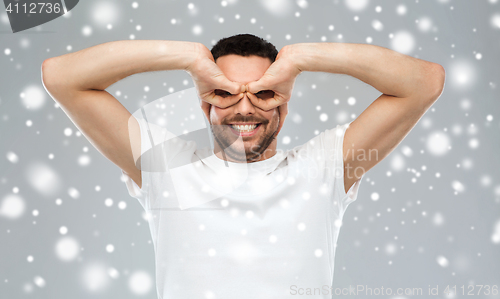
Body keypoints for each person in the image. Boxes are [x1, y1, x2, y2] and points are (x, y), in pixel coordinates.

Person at [41, 33, 445, 298]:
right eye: (226, 93)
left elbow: (424, 83)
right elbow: (61, 77)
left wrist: (302, 58)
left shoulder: (323, 169)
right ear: (205, 105)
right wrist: (188, 57)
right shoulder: (167, 167)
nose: (245, 107)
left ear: (283, 107)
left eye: (264, 93)